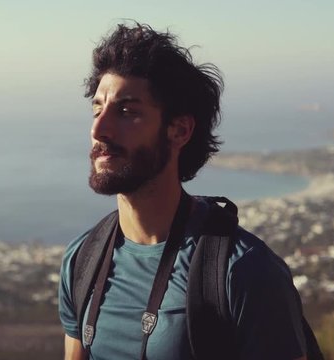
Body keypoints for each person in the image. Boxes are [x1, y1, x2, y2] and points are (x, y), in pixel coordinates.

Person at [58, 23, 309, 360]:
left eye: (127, 111)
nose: (98, 129)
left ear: (179, 130)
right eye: (97, 109)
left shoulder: (244, 272)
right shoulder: (83, 260)